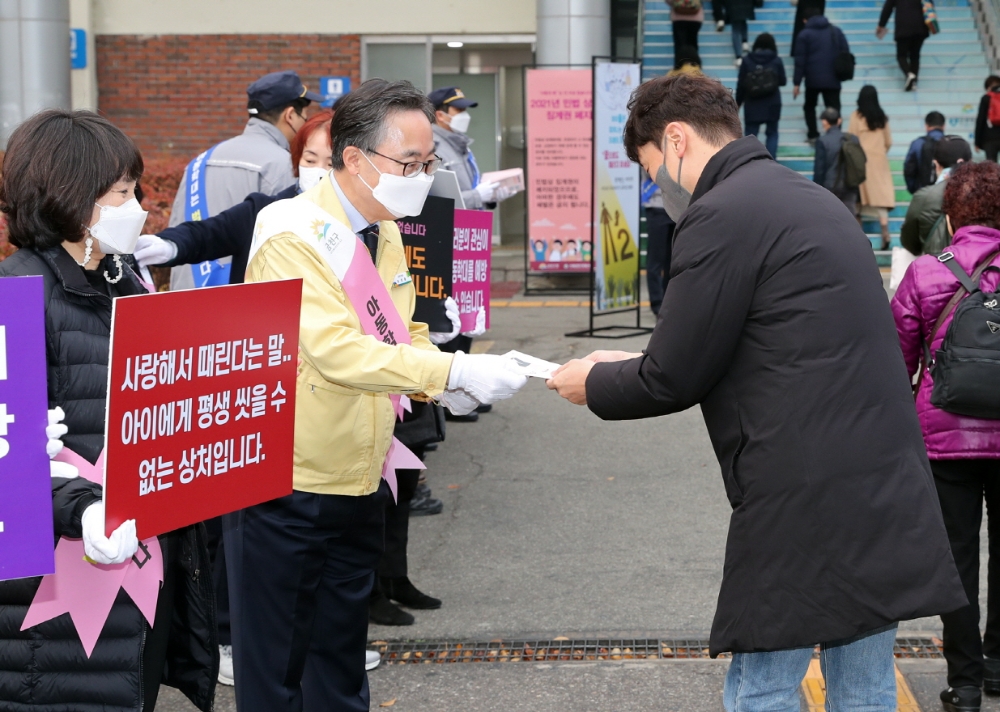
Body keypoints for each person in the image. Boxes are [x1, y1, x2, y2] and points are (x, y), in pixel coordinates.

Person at [547, 71, 965, 711]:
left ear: (677, 140)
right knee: (865, 684)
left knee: (762, 690)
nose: (657, 185)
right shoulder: (811, 198)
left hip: (804, 494)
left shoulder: (720, 214)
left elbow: (672, 376)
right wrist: (625, 359)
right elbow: (758, 338)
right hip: (878, 478)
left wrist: (593, 381)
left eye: (651, 166)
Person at [223, 78, 528, 712]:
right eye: (410, 164)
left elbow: (402, 328)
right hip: (289, 483)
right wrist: (451, 376)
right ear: (355, 159)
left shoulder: (382, 228)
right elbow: (333, 350)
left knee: (339, 660)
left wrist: (447, 381)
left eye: (428, 163)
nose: (422, 176)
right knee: (276, 667)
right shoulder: (293, 234)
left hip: (360, 475)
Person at [0, 109, 217, 711]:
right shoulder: (15, 294)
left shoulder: (125, 280)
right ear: (71, 197)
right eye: (122, 192)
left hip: (143, 570)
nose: (138, 206)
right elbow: (9, 465)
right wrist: (83, 512)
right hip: (53, 597)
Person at [892, 160, 1000, 712]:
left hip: (944, 438)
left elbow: (896, 360)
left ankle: (964, 682)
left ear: (952, 219)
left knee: (957, 557)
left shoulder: (927, 273)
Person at [168, 70, 322, 291]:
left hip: (184, 297)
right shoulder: (283, 165)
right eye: (304, 116)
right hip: (238, 305)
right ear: (290, 115)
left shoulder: (199, 161)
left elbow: (178, 230)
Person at [429, 86, 510, 210]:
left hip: (467, 226)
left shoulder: (460, 145)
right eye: (459, 110)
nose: (465, 115)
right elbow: (439, 202)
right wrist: (477, 196)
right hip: (449, 227)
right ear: (440, 115)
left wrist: (490, 196)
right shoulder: (432, 148)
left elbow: (469, 187)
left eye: (465, 109)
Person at [900, 135, 971, 256]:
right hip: (982, 270)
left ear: (936, 164)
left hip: (938, 269)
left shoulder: (924, 197)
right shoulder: (988, 193)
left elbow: (910, 243)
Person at [793, 7, 849, 143]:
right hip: (834, 78)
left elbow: (800, 60)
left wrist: (797, 83)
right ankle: (836, 136)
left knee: (810, 106)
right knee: (834, 107)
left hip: (812, 80)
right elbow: (846, 52)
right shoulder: (835, 31)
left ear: (805, 20)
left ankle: (813, 134)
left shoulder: (804, 35)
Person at [849, 86, 895, 250]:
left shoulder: (856, 116)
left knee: (858, 198)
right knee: (880, 197)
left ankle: (859, 237)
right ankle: (885, 232)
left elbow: (851, 138)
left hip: (861, 159)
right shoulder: (882, 117)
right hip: (879, 159)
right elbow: (888, 141)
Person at [736, 33, 786, 158]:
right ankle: (771, 162)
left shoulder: (747, 60)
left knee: (751, 136)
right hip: (772, 103)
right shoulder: (776, 60)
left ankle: (750, 162)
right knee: (772, 134)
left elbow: (741, 84)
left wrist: (738, 103)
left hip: (752, 103)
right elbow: (783, 81)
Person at [813, 107, 860, 215]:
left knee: (830, 217)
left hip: (830, 186)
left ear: (824, 122)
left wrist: (816, 189)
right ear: (839, 121)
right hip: (850, 184)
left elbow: (819, 170)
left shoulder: (822, 141)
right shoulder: (853, 139)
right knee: (849, 217)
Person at [877, 0, 930, 91]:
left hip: (903, 28)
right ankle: (913, 83)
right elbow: (929, 5)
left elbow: (887, 8)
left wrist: (881, 25)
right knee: (915, 56)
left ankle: (909, 74)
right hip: (920, 27)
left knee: (901, 56)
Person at [904, 111, 946, 194]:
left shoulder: (917, 143)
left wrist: (915, 190)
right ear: (944, 126)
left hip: (922, 193)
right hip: (945, 195)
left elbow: (909, 170)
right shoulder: (951, 143)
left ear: (926, 126)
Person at [714, 0, 757, 66]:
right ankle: (744, 42)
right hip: (745, 4)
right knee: (743, 20)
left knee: (735, 28)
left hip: (732, 4)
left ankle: (738, 56)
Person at [666, 0, 704, 69]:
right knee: (693, 43)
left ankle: (679, 68)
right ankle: (695, 68)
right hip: (695, 17)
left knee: (679, 45)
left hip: (678, 17)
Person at [975, 75, 1000, 161]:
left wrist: (977, 142)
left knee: (991, 167)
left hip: (989, 138)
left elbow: (980, 120)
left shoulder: (986, 98)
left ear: (988, 88)